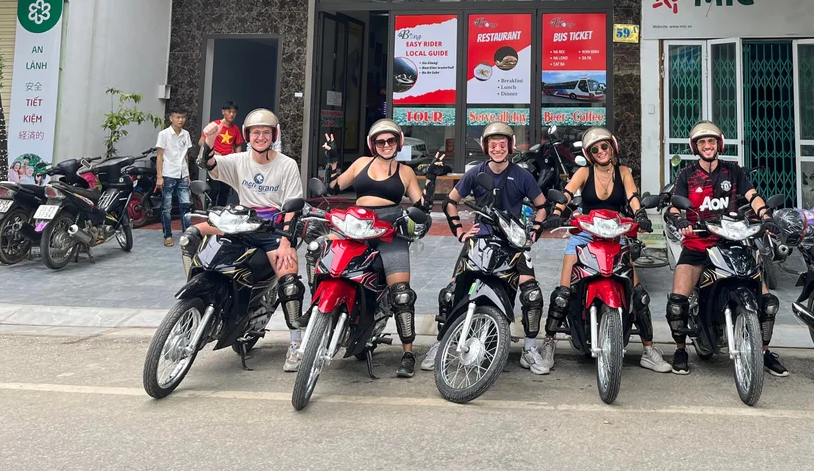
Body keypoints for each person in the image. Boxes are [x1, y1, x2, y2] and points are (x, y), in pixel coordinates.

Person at [420, 122, 550, 375]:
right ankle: (441, 342)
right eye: (493, 144)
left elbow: (542, 205)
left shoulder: (523, 175)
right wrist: (459, 232)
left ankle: (530, 349)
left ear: (510, 147)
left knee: (532, 294)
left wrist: (534, 232)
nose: (498, 148)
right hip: (480, 238)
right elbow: (450, 202)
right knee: (450, 293)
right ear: (485, 147)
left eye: (503, 144)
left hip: (513, 241)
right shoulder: (475, 172)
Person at [540, 127, 671, 373]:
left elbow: (632, 197)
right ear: (589, 154)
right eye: (595, 149)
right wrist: (557, 213)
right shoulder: (583, 172)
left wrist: (640, 213)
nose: (601, 151)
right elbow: (567, 194)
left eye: (604, 146)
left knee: (638, 294)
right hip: (586, 233)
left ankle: (649, 349)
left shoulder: (623, 172)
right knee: (562, 293)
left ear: (612, 147)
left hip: (616, 234)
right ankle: (548, 344)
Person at [664, 121, 788, 378]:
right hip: (698, 240)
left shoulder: (734, 171)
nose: (707, 146)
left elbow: (753, 196)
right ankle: (680, 350)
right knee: (677, 302)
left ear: (719, 144)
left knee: (767, 302)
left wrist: (765, 216)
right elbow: (674, 205)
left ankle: (763, 351)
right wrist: (680, 220)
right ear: (695, 147)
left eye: (711, 142)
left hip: (733, 239)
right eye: (702, 143)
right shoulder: (686, 174)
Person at [195, 108, 307, 372]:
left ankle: (296, 343)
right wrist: (209, 142)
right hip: (242, 223)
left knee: (289, 283)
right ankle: (197, 301)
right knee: (192, 235)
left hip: (272, 229)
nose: (260, 137)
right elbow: (209, 164)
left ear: (273, 135)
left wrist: (286, 241)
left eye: (266, 132)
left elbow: (293, 206)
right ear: (247, 136)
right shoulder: (238, 160)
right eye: (256, 132)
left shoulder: (287, 164)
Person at [325, 118, 436, 379]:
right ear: (372, 144)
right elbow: (333, 187)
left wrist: (431, 178)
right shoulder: (361, 163)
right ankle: (319, 312)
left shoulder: (405, 171)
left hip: (390, 229)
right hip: (356, 225)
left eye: (390, 141)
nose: (385, 145)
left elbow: (421, 204)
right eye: (380, 141)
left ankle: (408, 352)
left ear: (398, 143)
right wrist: (330, 160)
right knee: (322, 255)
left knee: (401, 294)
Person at [156, 107, 194, 247]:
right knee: (167, 207)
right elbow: (159, 156)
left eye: (183, 117)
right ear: (171, 118)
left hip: (182, 173)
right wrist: (159, 176)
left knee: (186, 205)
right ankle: (168, 236)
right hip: (168, 173)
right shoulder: (164, 134)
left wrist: (188, 175)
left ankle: (187, 235)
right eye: (177, 117)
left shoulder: (186, 134)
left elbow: (186, 156)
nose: (180, 120)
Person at [199, 101, 244, 208]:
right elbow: (201, 142)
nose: (232, 114)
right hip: (215, 161)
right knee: (214, 189)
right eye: (229, 111)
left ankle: (220, 212)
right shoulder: (214, 125)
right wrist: (213, 152)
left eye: (234, 112)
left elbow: (238, 145)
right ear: (223, 112)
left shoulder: (235, 129)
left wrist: (238, 158)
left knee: (225, 190)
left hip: (228, 163)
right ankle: (210, 212)